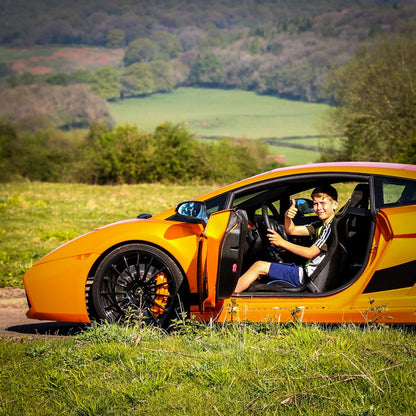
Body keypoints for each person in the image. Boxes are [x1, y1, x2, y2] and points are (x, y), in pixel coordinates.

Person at [234, 184, 338, 293]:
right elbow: (291, 230)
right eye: (315, 203)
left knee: (258, 266)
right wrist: (288, 217)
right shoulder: (320, 225)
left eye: (323, 203)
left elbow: (310, 253)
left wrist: (282, 242)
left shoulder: (330, 228)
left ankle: (229, 297)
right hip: (307, 272)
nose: (318, 208)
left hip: (308, 276)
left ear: (335, 204)